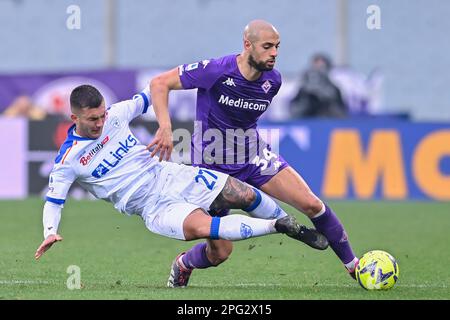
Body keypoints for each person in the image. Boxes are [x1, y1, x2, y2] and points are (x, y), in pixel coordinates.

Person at [34, 84, 329, 288]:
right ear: (74, 118)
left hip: (171, 176)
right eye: (92, 119)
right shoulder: (68, 160)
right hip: (153, 206)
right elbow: (54, 202)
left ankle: (293, 229)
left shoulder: (117, 114)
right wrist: (50, 232)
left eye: (102, 116)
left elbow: (157, 89)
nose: (100, 123)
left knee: (243, 193)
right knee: (217, 247)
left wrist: (167, 119)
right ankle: (276, 227)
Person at [149, 19, 359, 287]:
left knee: (311, 203)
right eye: (268, 46)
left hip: (252, 156)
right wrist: (165, 127)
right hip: (212, 167)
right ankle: (184, 263)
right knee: (220, 253)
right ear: (247, 45)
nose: (274, 53)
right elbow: (159, 83)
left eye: (277, 47)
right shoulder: (215, 70)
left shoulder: (273, 80)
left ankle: (354, 266)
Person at [289, 53, 348, 118]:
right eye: (315, 68)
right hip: (307, 120)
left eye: (322, 68)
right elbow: (295, 111)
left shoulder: (334, 90)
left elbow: (341, 113)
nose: (318, 72)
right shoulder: (303, 89)